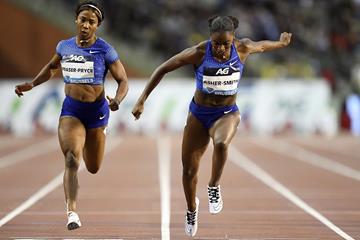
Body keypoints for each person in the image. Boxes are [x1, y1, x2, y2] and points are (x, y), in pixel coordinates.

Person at [132, 15, 291, 237]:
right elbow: (163, 68)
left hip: (226, 113)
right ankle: (191, 209)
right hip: (199, 115)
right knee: (188, 171)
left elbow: (263, 45)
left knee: (222, 144)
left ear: (233, 40)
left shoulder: (242, 48)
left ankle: (214, 186)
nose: (221, 50)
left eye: (226, 44)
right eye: (216, 44)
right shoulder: (199, 52)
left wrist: (281, 43)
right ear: (210, 40)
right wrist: (141, 99)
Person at [15, 0, 129, 230]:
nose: (86, 25)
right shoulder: (64, 47)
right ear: (76, 20)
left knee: (94, 166)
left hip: (96, 112)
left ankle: (97, 138)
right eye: (83, 20)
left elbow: (123, 80)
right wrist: (32, 84)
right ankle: (72, 212)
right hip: (72, 111)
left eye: (92, 22)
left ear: (97, 26)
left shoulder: (105, 50)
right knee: (71, 159)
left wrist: (117, 100)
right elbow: (51, 68)